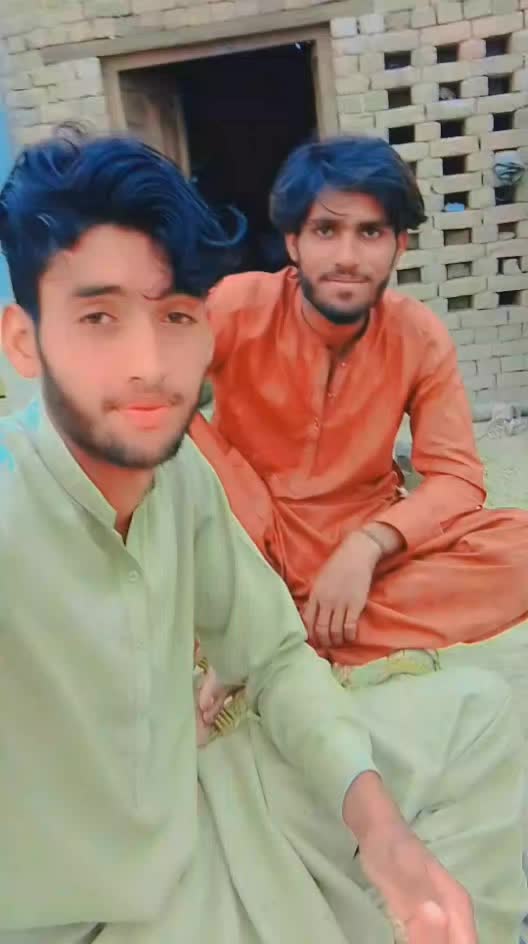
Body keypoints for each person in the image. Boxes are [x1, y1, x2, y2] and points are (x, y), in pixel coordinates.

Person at [0, 128, 525, 944]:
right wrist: (249, 513)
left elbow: (281, 652)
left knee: (484, 705)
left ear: (400, 246)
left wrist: (382, 837)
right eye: (99, 316)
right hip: (125, 898)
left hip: (250, 725)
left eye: (176, 316)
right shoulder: (40, 501)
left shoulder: (414, 337)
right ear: (23, 341)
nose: (148, 360)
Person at [191, 134, 528, 665]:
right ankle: (315, 631)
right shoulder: (237, 306)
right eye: (326, 230)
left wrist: (370, 544)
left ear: (399, 245)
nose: (346, 258)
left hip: (361, 537)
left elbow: (457, 476)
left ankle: (283, 635)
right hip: (248, 539)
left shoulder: (418, 335)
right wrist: (237, 493)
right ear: (294, 242)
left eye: (369, 232)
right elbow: (158, 398)